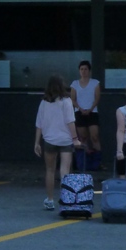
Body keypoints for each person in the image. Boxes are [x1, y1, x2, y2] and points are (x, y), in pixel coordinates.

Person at [34, 74, 83, 211]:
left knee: (50, 170)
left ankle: (50, 200)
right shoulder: (66, 101)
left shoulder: (43, 103)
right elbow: (70, 121)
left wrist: (37, 142)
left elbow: (39, 124)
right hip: (66, 140)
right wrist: (75, 139)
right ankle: (66, 199)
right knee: (64, 171)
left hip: (49, 140)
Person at [69, 60, 102, 170]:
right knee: (83, 137)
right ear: (79, 71)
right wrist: (80, 108)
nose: (84, 71)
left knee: (95, 136)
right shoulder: (74, 84)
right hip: (79, 112)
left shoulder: (95, 83)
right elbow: (72, 99)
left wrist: (90, 109)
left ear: (89, 71)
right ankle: (84, 162)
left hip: (92, 112)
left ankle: (97, 163)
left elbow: (97, 98)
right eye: (81, 69)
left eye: (86, 69)